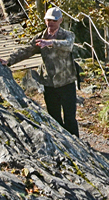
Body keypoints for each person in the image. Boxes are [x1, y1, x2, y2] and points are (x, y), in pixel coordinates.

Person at [5, 7, 79, 137]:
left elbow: (68, 45)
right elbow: (27, 50)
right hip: (49, 83)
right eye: (48, 20)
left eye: (54, 21)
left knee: (70, 118)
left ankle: (79, 148)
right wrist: (8, 61)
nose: (50, 23)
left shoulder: (68, 35)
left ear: (60, 20)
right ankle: (62, 144)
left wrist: (50, 42)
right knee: (54, 117)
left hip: (67, 82)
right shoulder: (40, 37)